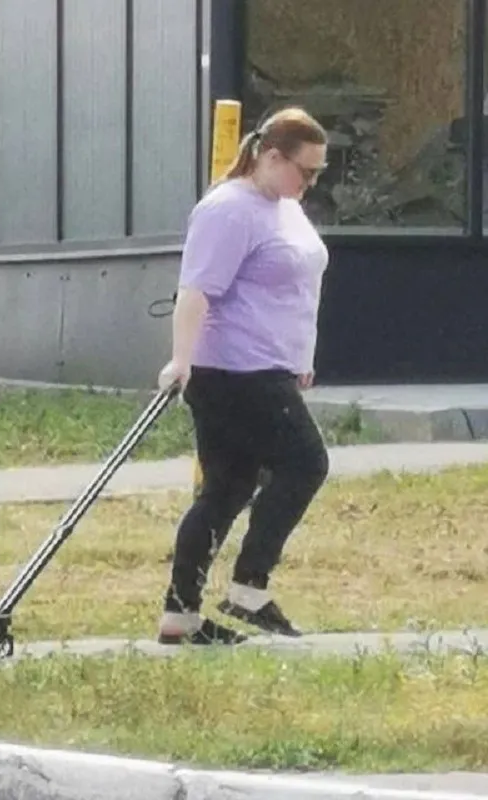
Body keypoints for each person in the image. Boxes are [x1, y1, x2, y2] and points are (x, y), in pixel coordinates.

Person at [154, 107, 331, 646]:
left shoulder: (284, 207)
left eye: (319, 173)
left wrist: (300, 356)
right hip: (233, 370)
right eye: (307, 171)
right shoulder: (229, 209)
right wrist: (180, 360)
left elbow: (294, 288)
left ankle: (180, 615)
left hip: (269, 367)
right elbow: (196, 290)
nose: (312, 182)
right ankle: (249, 589)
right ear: (271, 156)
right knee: (305, 465)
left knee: (227, 489)